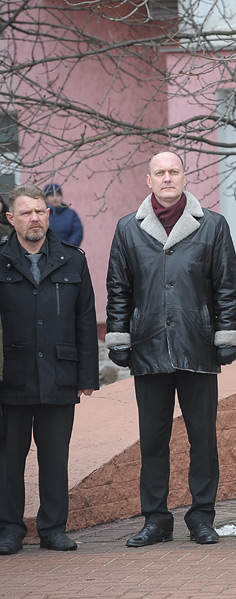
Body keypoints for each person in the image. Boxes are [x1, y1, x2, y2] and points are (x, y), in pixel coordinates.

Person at [105, 151, 236, 548]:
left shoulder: (212, 226)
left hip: (197, 346)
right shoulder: (128, 229)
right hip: (148, 347)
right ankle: (156, 519)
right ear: (148, 181)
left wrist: (226, 335)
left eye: (174, 172)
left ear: (185, 177)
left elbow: (226, 286)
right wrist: (119, 336)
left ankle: (202, 516)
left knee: (203, 438)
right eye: (160, 173)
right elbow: (119, 289)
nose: (167, 178)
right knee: (152, 439)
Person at [0, 185, 99, 555]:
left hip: (60, 372)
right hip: (12, 373)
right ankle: (10, 528)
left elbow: (85, 319)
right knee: (9, 458)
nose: (35, 218)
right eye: (26, 213)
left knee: (55, 457)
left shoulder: (73, 260)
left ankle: (53, 528)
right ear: (12, 219)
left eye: (40, 211)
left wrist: (87, 375)